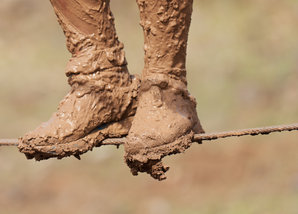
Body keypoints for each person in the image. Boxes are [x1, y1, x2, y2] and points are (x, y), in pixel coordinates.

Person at [18, 0, 204, 180]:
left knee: (165, 81)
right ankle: (100, 81)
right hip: (96, 82)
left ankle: (166, 85)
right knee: (97, 77)